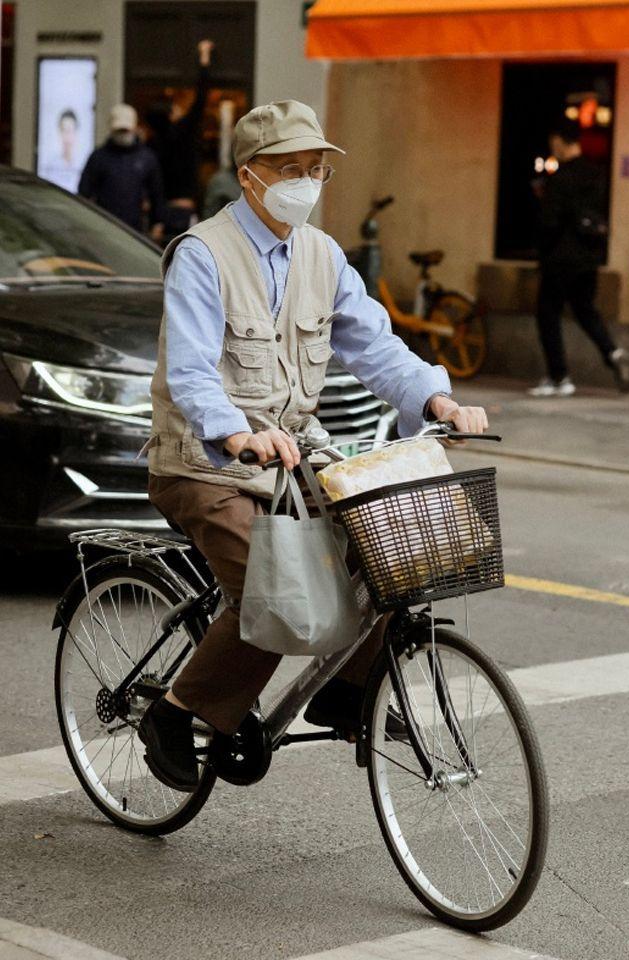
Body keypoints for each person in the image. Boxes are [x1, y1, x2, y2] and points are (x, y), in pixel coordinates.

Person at [139, 99, 489, 792]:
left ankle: (345, 691)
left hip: (295, 456)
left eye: (316, 169)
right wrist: (236, 431)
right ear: (249, 175)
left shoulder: (323, 256)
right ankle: (176, 713)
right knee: (280, 593)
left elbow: (377, 348)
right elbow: (191, 371)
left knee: (391, 551)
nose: (305, 182)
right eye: (289, 169)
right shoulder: (202, 254)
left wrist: (437, 399)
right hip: (206, 464)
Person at [529, 119, 629, 398]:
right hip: (588, 258)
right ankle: (612, 351)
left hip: (560, 259)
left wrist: (542, 251)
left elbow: (550, 222)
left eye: (553, 143)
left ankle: (559, 376)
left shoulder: (560, 178)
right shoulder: (596, 174)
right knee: (584, 309)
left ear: (560, 141)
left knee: (547, 314)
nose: (553, 148)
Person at [146, 39, 214, 244]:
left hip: (162, 213)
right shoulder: (184, 133)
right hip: (185, 210)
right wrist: (204, 60)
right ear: (170, 115)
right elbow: (200, 100)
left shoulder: (153, 144)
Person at [78, 104, 165, 238]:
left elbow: (156, 193)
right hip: (103, 228)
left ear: (134, 128)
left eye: (126, 130)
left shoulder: (146, 158)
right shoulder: (99, 157)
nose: (123, 134)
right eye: (120, 130)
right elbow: (84, 192)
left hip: (135, 229)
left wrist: (158, 222)